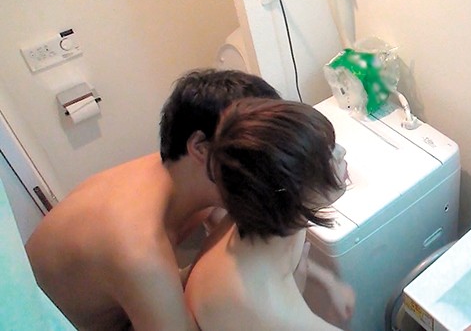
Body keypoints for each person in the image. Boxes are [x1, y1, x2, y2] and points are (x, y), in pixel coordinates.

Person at [25, 70, 280, 330]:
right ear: (200, 147)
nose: (269, 162)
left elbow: (227, 240)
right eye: (256, 149)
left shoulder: (185, 175)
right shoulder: (137, 246)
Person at [185, 99, 350, 330]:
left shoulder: (265, 210)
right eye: (327, 154)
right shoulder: (266, 311)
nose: (342, 152)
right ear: (288, 188)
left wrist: (327, 280)